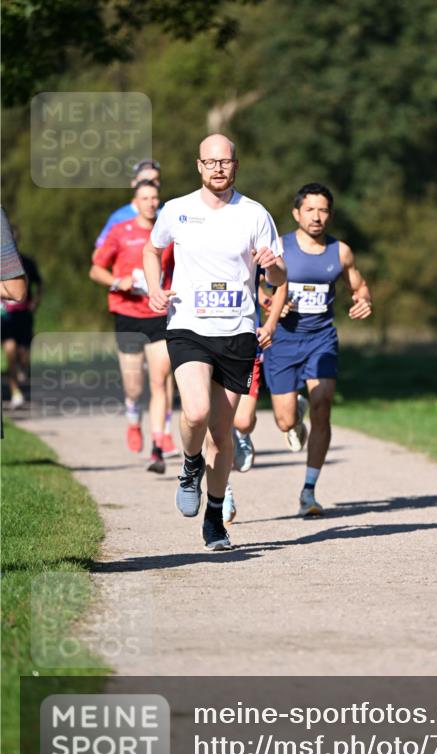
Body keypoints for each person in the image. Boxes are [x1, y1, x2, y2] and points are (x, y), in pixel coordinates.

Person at [143, 134, 286, 551]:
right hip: (188, 323)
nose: (218, 168)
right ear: (198, 166)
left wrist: (273, 266)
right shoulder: (177, 211)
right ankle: (190, 468)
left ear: (235, 166)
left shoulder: (255, 214)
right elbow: (153, 251)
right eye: (210, 162)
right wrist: (155, 288)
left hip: (238, 330)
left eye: (225, 162)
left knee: (222, 437)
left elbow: (278, 279)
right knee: (196, 410)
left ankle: (214, 518)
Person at [263, 183, 372, 517]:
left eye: (323, 210)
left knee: (322, 403)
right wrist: (270, 304)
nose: (317, 216)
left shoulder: (340, 252)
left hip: (321, 338)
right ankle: (293, 417)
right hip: (283, 340)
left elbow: (359, 284)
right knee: (284, 422)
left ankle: (309, 491)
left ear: (330, 215)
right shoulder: (278, 247)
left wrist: (364, 300)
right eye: (309, 209)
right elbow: (254, 285)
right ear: (297, 213)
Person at [93, 159, 179, 458]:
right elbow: (96, 268)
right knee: (134, 386)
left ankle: (160, 438)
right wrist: (119, 281)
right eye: (145, 198)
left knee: (161, 377)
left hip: (158, 313)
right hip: (127, 313)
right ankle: (133, 419)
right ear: (135, 199)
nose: (151, 203)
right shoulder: (120, 227)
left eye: (155, 198)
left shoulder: (168, 229)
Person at [231, 275, 288, 473]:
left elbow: (278, 280)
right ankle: (221, 495)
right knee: (207, 415)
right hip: (205, 339)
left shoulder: (253, 247)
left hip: (246, 342)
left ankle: (241, 434)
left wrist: (270, 323)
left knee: (243, 422)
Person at [0, 226, 43, 409]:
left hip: (24, 314)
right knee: (10, 350)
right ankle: (15, 390)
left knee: (23, 356)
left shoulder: (26, 262)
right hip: (5, 315)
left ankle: (21, 373)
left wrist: (35, 303)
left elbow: (40, 284)